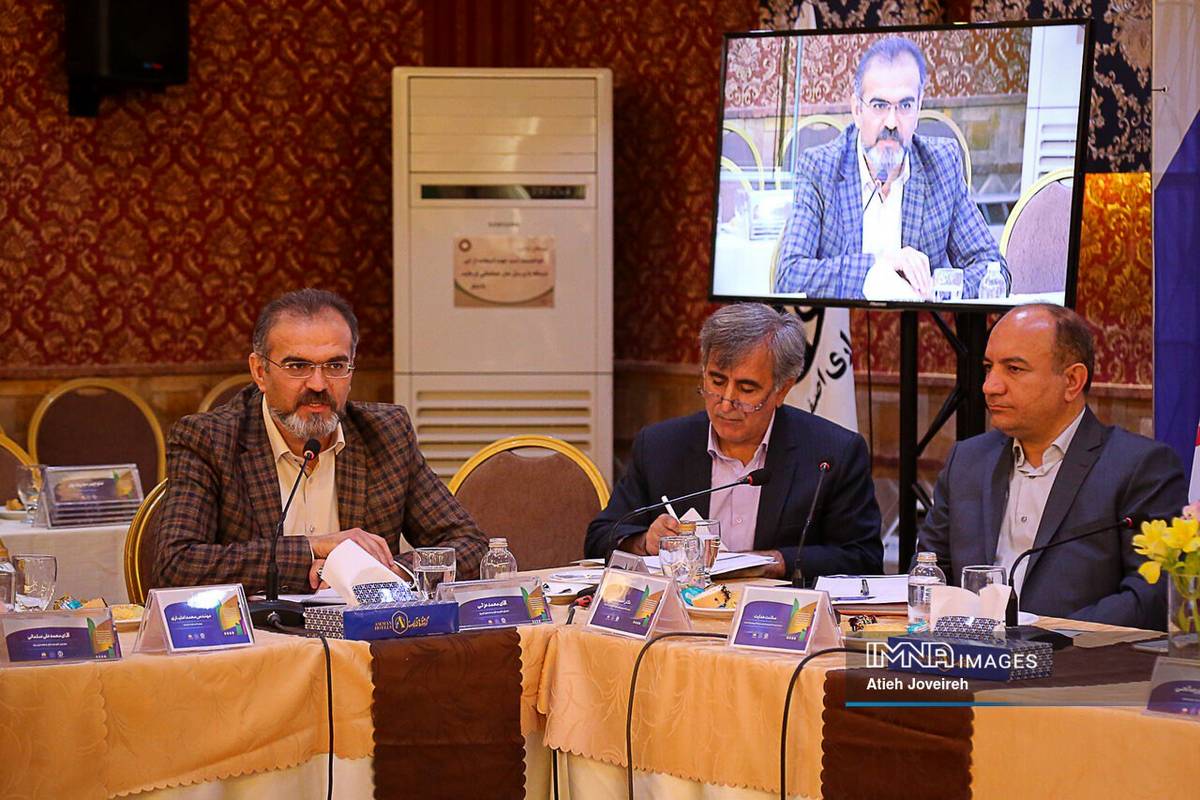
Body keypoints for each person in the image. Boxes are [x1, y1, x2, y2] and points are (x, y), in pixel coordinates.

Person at [156, 289, 488, 592]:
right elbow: (176, 565)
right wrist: (311, 549)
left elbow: (470, 545)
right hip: (257, 634)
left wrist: (390, 573)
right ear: (259, 371)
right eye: (298, 366)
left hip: (363, 632)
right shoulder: (209, 440)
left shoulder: (386, 434)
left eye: (335, 365)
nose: (318, 384)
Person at [918, 304, 1186, 629]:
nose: (990, 386)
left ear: (1072, 381)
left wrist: (1042, 638)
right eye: (989, 368)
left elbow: (1151, 598)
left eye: (1014, 369)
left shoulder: (1139, 467)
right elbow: (927, 574)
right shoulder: (967, 461)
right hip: (968, 651)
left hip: (1080, 658)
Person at [585, 304, 882, 580]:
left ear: (782, 390)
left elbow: (863, 558)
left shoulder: (833, 453)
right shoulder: (660, 446)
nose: (726, 403)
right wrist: (644, 542)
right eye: (716, 382)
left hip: (776, 613)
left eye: (746, 389)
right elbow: (600, 537)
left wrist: (776, 562)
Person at [774, 35, 1007, 302]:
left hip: (920, 323)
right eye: (879, 106)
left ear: (919, 108)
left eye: (905, 106)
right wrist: (879, 266)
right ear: (857, 109)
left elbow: (994, 270)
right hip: (844, 325)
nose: (892, 122)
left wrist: (933, 288)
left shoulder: (942, 165)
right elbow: (789, 276)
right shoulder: (820, 168)